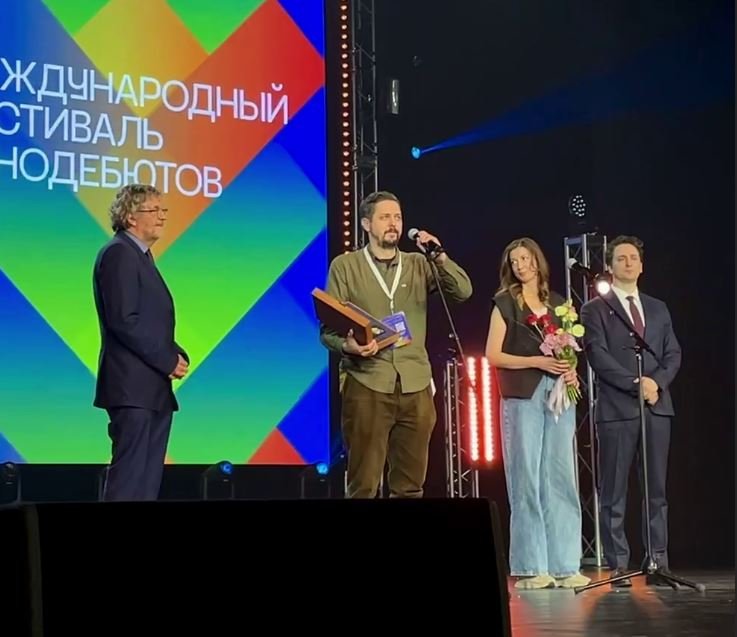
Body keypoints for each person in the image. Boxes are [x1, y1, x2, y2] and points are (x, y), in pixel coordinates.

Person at [319, 191, 472, 498]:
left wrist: (439, 256)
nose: (393, 223)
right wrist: (349, 347)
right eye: (385, 217)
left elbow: (462, 291)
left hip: (415, 382)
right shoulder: (345, 266)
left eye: (398, 217)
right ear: (366, 224)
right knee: (363, 485)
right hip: (368, 381)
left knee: (410, 486)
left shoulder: (419, 263)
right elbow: (328, 330)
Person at [485, 237, 589, 589]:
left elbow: (569, 350)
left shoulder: (559, 304)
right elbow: (493, 355)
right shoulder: (504, 304)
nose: (520, 265)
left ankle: (565, 564)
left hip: (558, 394)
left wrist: (570, 369)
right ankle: (531, 566)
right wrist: (536, 361)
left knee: (561, 475)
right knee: (526, 476)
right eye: (514, 261)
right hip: (522, 394)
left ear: (537, 261)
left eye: (525, 258)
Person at [580, 235, 681, 586]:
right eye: (621, 258)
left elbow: (672, 354)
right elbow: (597, 355)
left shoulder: (658, 308)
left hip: (656, 406)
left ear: (642, 265)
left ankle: (658, 561)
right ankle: (619, 564)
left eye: (633, 258)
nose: (628, 263)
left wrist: (655, 384)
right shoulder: (595, 309)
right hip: (617, 409)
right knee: (614, 491)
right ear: (609, 266)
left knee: (656, 490)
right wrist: (635, 384)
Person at [93, 184, 189, 501]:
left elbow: (148, 321)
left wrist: (176, 353)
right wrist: (167, 360)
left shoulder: (141, 257)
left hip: (150, 389)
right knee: (129, 483)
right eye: (154, 210)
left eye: (163, 210)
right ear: (131, 217)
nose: (162, 216)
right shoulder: (119, 253)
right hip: (132, 389)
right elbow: (124, 320)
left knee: (145, 487)